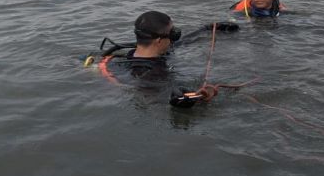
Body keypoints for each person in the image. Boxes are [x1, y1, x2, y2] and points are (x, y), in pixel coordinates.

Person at [87, 11, 239, 107]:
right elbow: (157, 100)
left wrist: (208, 28)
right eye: (173, 33)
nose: (174, 37)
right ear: (159, 40)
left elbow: (183, 42)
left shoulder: (128, 54)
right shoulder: (150, 75)